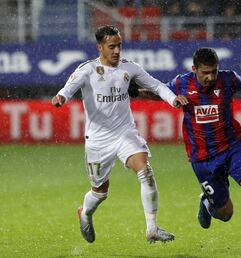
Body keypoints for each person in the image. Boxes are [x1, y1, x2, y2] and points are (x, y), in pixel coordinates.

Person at [134, 47, 241, 257]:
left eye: (214, 71)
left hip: (232, 148)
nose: (210, 77)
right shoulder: (182, 83)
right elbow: (158, 93)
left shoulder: (227, 79)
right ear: (194, 69)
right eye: (205, 72)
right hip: (203, 158)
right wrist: (135, 92)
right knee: (225, 213)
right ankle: (206, 202)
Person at [51, 25, 188, 244]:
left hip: (125, 132)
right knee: (100, 192)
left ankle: (152, 229)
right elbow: (69, 87)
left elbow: (156, 85)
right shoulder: (87, 69)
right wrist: (61, 97)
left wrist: (173, 99)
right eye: (111, 47)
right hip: (98, 140)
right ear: (100, 47)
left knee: (146, 172)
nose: (116, 51)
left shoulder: (129, 68)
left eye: (119, 46)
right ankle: (84, 213)